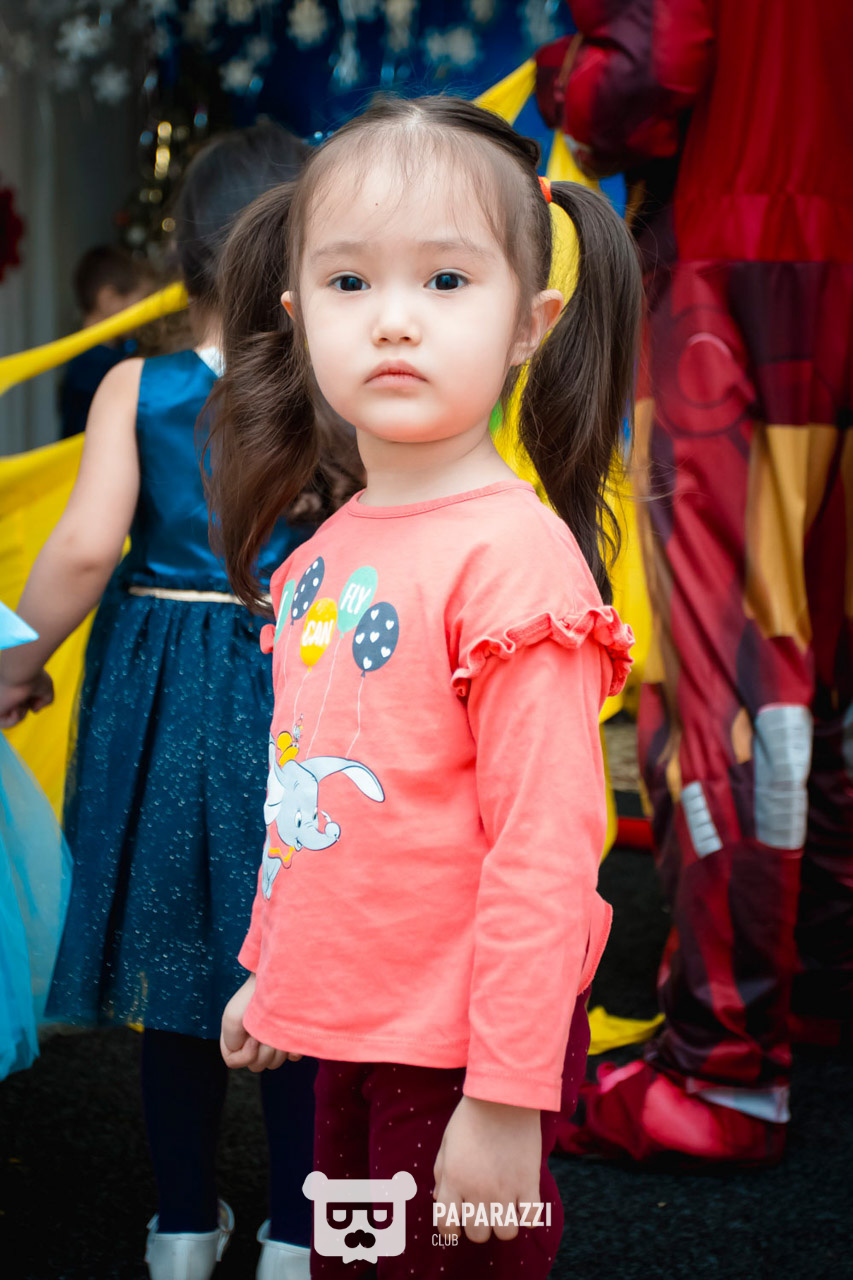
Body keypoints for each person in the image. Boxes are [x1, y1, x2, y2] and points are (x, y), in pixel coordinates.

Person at [206, 96, 641, 1280]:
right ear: (298, 316)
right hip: (350, 1030)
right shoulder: (325, 550)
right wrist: (272, 965)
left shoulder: (512, 557)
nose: (393, 318)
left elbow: (546, 850)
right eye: (349, 283)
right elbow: (307, 791)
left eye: (446, 280)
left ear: (529, 323)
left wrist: (503, 1094)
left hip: (460, 1052)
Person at [0, 123, 356, 1280]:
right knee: (297, 959)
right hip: (304, 682)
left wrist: (14, 663)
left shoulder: (136, 387)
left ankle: (183, 1227)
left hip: (165, 688)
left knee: (174, 961)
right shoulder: (338, 385)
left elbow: (83, 549)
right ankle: (300, 1233)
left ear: (182, 253)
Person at [542, 0, 853, 1163]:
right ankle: (813, 983)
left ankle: (725, 1066)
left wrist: (564, 77)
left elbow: (646, 68)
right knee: (828, 642)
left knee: (728, 668)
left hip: (729, 262)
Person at [58, 245, 156, 439]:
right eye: (143, 300)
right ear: (108, 300)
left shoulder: (101, 358)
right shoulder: (93, 366)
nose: (149, 311)